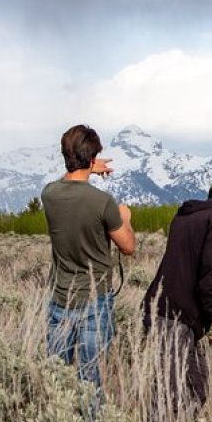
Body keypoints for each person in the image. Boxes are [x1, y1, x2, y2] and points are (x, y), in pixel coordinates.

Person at [42, 124, 136, 399]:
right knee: (91, 378)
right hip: (95, 301)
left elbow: (66, 180)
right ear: (93, 158)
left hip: (60, 298)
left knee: (56, 376)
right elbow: (128, 247)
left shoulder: (49, 194)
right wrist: (126, 219)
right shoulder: (103, 202)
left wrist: (86, 166)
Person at [142, 178, 212, 417]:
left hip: (162, 309)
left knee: (194, 385)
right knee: (173, 394)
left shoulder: (185, 216)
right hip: (177, 317)